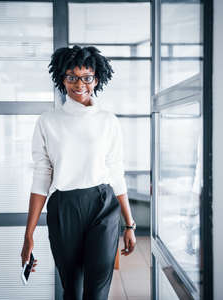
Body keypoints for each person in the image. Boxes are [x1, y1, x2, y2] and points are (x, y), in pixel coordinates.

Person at [20, 45, 137, 300]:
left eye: (87, 77)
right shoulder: (47, 121)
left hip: (103, 205)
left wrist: (129, 224)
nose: (79, 84)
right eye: (71, 76)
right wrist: (28, 235)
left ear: (96, 79)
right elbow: (41, 177)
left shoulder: (108, 121)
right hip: (64, 207)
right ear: (61, 78)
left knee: (96, 291)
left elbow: (116, 171)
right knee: (72, 289)